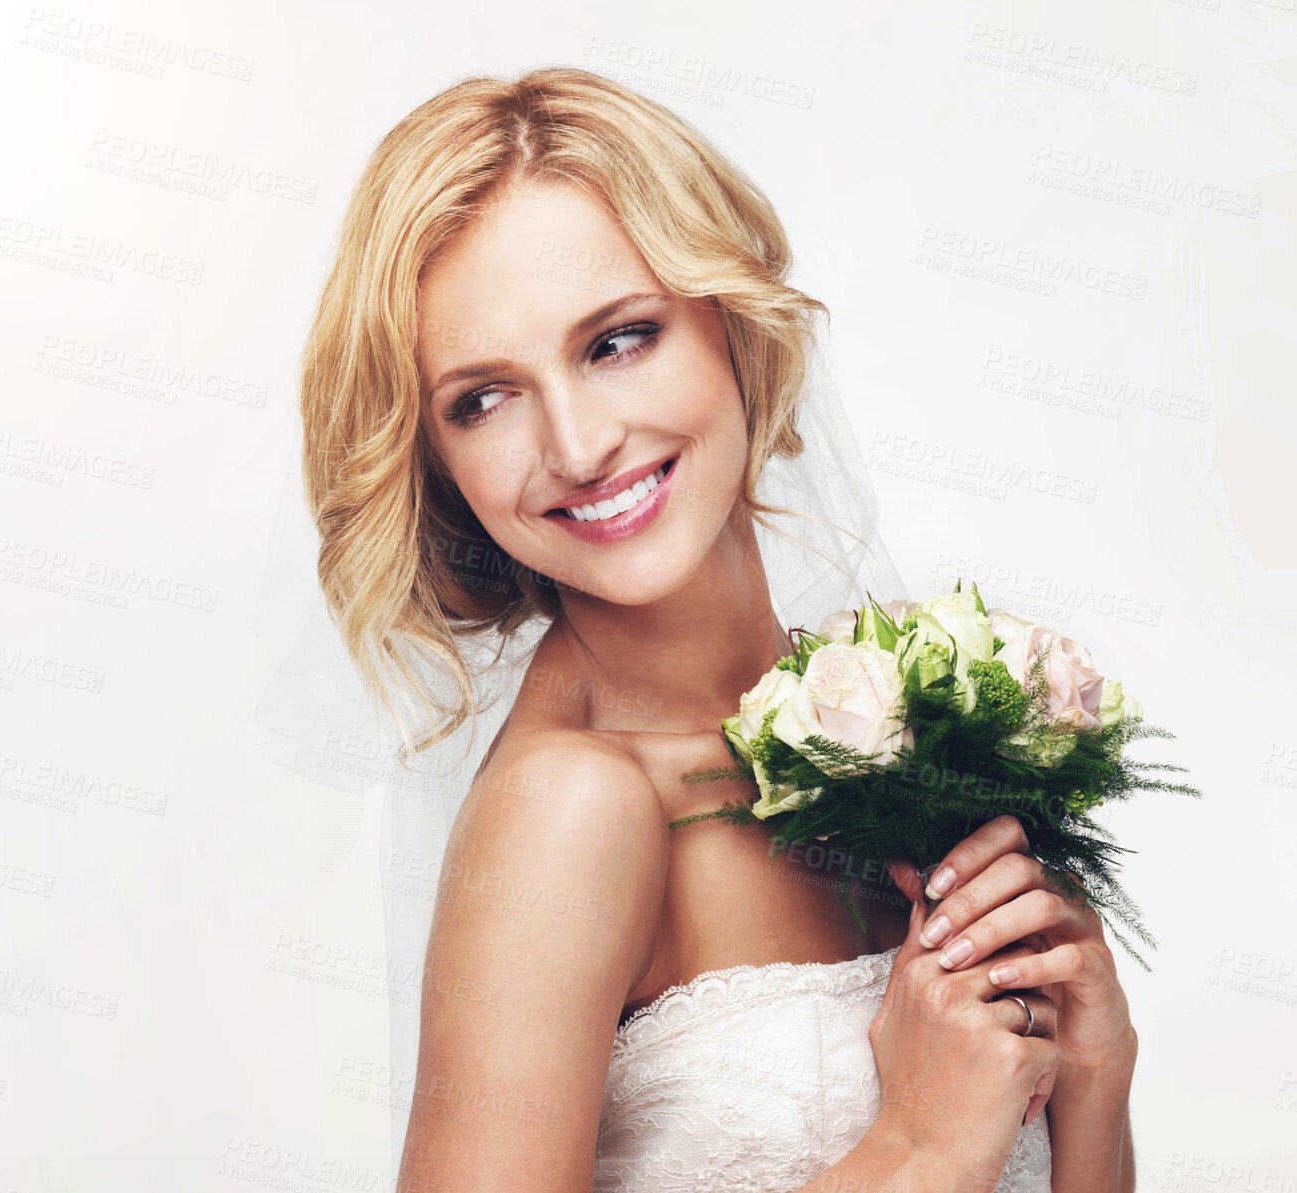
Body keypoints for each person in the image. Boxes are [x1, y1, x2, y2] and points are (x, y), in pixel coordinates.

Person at [293, 66, 1138, 1192]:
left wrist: (1092, 1082)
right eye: (483, 397)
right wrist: (917, 1143)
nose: (579, 442)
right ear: (438, 464)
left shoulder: (902, 720)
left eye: (616, 340)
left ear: (729, 323)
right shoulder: (570, 806)